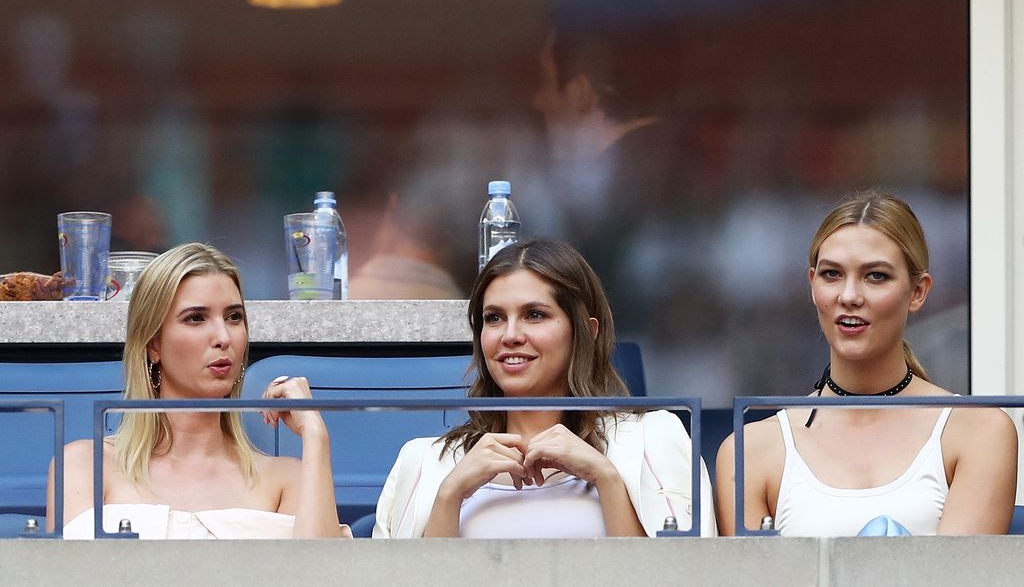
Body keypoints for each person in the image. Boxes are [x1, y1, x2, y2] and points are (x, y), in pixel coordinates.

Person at [715, 191, 1017, 536]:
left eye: (876, 276)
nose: (849, 296)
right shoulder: (749, 449)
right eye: (832, 274)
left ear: (918, 292)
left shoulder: (979, 431)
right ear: (812, 284)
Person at [373, 238, 716, 538]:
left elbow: (684, 576)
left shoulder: (655, 438)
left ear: (586, 330)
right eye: (493, 318)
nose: (510, 335)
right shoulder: (422, 461)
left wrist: (605, 478)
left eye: (534, 315)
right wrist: (450, 495)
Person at [47, 243, 349, 538]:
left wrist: (315, 436)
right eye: (196, 318)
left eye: (234, 317)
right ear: (153, 343)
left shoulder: (287, 479)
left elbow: (322, 575)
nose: (223, 337)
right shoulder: (84, 465)